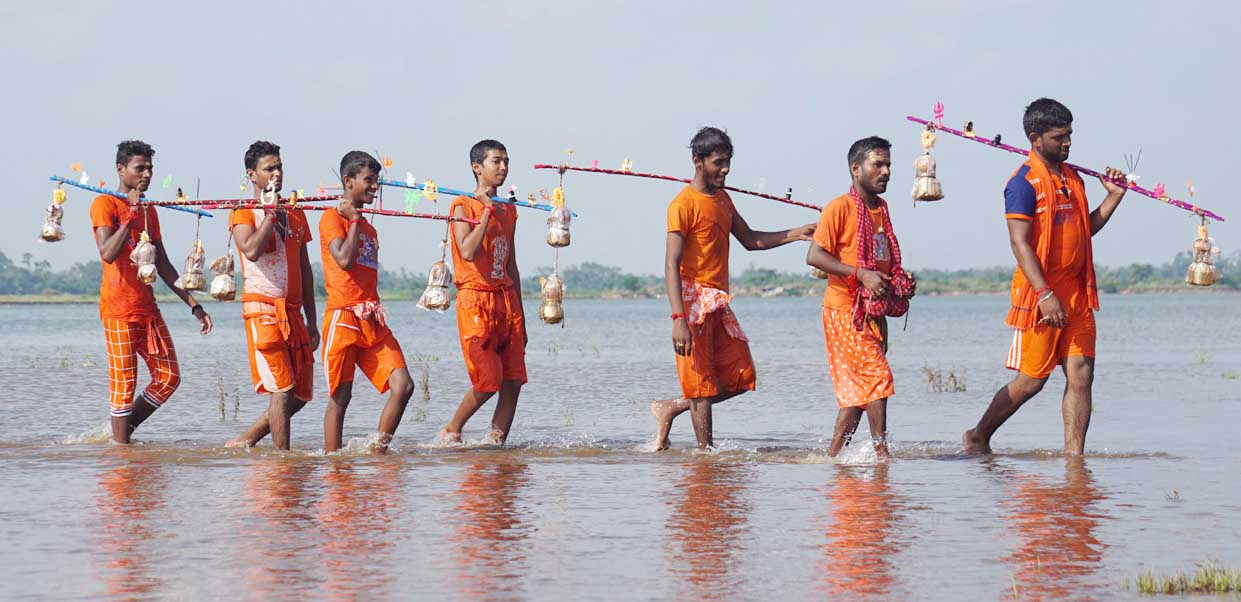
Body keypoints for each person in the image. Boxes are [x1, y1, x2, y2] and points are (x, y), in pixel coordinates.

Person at [963, 98, 1128, 455]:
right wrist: (1043, 294)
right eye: (1059, 137)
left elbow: (1085, 230)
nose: (1068, 143)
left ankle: (1074, 462)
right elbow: (1019, 243)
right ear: (1035, 138)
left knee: (1082, 374)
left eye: (1070, 135)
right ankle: (978, 435)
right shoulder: (1022, 183)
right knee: (1031, 382)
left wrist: (1114, 198)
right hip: (1041, 295)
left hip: (1078, 292)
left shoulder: (1073, 178)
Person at [650, 127, 816, 450]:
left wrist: (797, 233)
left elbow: (751, 240)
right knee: (700, 388)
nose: (725, 170)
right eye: (718, 163)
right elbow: (671, 263)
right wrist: (678, 318)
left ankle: (671, 407)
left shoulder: (724, 200)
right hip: (691, 302)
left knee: (741, 376)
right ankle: (706, 460)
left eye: (728, 163)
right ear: (697, 161)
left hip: (718, 302)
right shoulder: (682, 204)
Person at [90, 140, 212, 444]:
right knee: (124, 385)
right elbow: (107, 252)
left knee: (169, 377)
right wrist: (129, 214)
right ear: (121, 169)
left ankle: (122, 435)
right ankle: (122, 455)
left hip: (148, 308)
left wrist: (194, 305)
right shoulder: (105, 204)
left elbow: (164, 264)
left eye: (150, 169)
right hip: (118, 310)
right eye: (139, 168)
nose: (146, 174)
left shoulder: (149, 211)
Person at [806, 136, 903, 458]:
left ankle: (833, 458)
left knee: (859, 395)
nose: (886, 171)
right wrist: (860, 273)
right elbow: (815, 256)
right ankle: (882, 457)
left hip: (870, 311)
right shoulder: (839, 207)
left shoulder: (881, 209)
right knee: (877, 378)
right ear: (856, 168)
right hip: (843, 309)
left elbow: (882, 263)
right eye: (878, 164)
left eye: (888, 164)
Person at [319, 151, 414, 452]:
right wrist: (355, 219)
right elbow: (345, 260)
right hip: (343, 318)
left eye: (377, 181)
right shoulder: (332, 218)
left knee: (404, 386)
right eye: (369, 181)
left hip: (372, 319)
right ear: (348, 182)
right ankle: (333, 466)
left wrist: (359, 221)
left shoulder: (370, 229)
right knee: (340, 397)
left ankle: (377, 451)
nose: (375, 187)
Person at [226, 141, 319, 450]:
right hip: (262, 308)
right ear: (252, 175)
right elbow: (251, 250)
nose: (277, 174)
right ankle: (283, 462)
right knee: (280, 390)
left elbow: (305, 270)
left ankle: (248, 439)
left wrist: (313, 322)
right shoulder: (243, 213)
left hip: (293, 313)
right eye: (269, 169)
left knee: (300, 395)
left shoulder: (294, 214)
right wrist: (268, 214)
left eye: (279, 167)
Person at [439, 139, 527, 445]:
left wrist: (522, 317)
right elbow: (467, 250)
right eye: (496, 161)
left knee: (514, 380)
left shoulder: (510, 211)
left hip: (507, 299)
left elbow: (510, 262)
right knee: (488, 381)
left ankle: (494, 443)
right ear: (478, 168)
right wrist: (486, 213)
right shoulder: (462, 205)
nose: (503, 167)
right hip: (475, 300)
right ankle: (452, 429)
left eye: (506, 161)